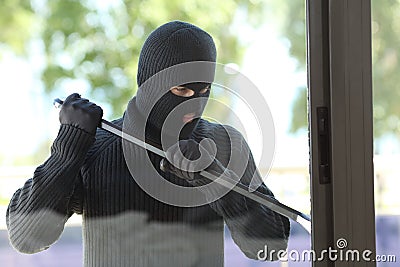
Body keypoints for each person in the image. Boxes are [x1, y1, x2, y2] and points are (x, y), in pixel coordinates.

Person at [6, 21, 290, 266]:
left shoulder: (225, 144)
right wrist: (66, 152)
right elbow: (26, 238)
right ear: (149, 82)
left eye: (204, 90)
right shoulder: (96, 147)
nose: (194, 103)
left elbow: (270, 247)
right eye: (182, 89)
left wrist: (218, 183)